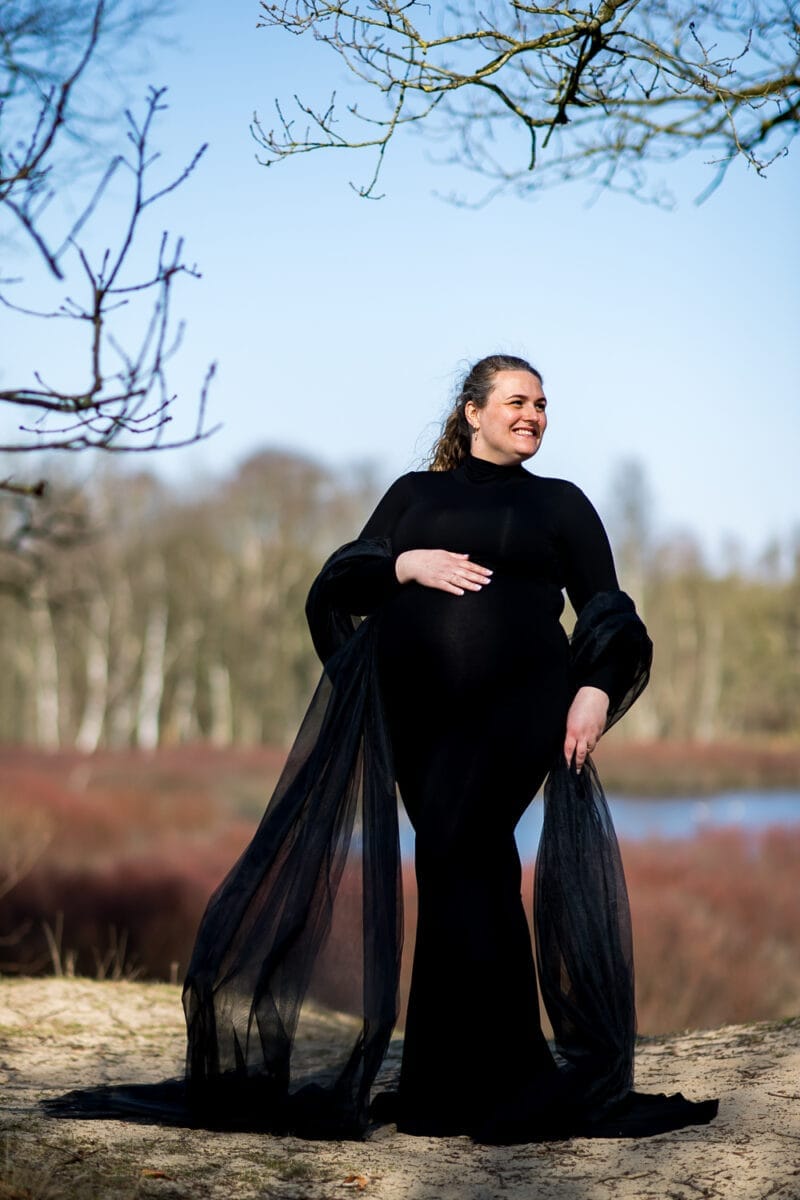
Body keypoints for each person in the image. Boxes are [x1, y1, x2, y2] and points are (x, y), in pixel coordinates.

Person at [181, 354, 719, 1142]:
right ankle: (445, 1083)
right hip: (420, 716)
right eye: (515, 400)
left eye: (541, 404)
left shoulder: (561, 505)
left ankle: (513, 1085)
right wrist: (405, 562)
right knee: (452, 862)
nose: (532, 414)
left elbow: (608, 609)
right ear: (471, 412)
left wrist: (596, 690)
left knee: (463, 846)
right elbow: (342, 584)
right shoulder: (413, 494)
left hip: (518, 712)